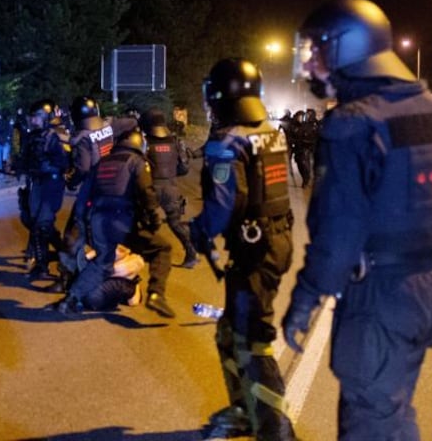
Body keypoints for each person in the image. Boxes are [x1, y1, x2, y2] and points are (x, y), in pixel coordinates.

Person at [281, 0, 432, 440]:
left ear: (346, 49)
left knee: (371, 422)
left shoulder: (353, 123)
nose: (309, 65)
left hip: (380, 298)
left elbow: (338, 234)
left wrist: (305, 299)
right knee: (392, 410)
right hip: (431, 289)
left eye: (316, 52)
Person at [189, 58, 297, 440]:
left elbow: (224, 206)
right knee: (230, 332)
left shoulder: (227, 142)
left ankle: (275, 429)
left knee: (252, 339)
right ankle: (244, 410)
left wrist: (199, 230)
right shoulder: (269, 132)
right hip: (273, 242)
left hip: (255, 250)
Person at [55, 123, 176, 318]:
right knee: (162, 248)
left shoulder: (101, 163)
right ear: (139, 144)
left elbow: (83, 197)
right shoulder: (136, 162)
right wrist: (155, 219)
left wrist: (83, 225)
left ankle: (70, 300)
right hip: (123, 222)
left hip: (98, 222)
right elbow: (146, 192)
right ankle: (156, 295)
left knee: (102, 263)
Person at [57, 95, 114, 292]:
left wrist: (70, 181)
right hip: (112, 187)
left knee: (72, 235)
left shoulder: (83, 138)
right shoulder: (107, 128)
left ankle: (66, 279)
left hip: (92, 190)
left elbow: (83, 168)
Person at [14, 99, 71, 278]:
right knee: (34, 223)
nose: (33, 120)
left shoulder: (55, 136)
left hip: (51, 184)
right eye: (31, 117)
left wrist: (46, 167)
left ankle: (65, 258)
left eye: (36, 117)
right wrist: (20, 167)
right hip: (36, 183)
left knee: (43, 224)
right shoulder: (32, 136)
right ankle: (43, 265)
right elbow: (25, 158)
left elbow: (64, 162)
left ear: (46, 117)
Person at [140, 106, 199, 268]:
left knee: (143, 221)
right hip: (171, 188)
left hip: (150, 188)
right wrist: (170, 173)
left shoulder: (144, 143)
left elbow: (138, 168)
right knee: (176, 223)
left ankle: (146, 253)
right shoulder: (175, 141)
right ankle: (191, 254)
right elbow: (184, 168)